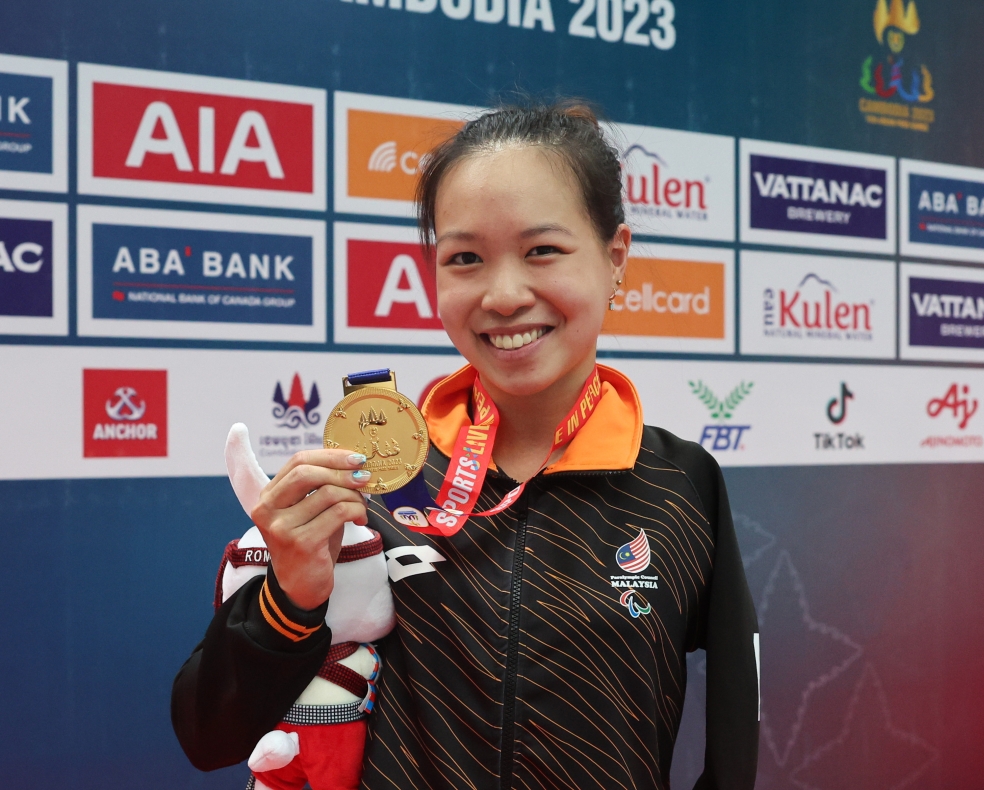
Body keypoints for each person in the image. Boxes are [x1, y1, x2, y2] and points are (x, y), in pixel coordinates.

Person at [172, 101, 760, 790]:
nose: (504, 294)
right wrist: (289, 597)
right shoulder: (373, 480)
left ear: (615, 258)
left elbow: (733, 738)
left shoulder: (679, 483)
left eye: (542, 249)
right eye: (465, 259)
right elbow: (209, 736)